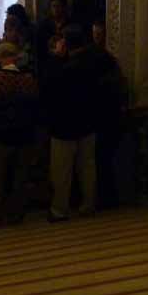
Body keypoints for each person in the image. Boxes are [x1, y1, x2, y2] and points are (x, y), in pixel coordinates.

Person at [0, 43, 40, 226]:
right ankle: (16, 215)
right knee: (20, 178)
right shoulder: (28, 80)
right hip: (24, 137)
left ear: (1, 57)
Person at [47, 24, 104, 222]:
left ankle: (59, 210)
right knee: (88, 168)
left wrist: (55, 57)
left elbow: (51, 89)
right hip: (88, 122)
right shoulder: (95, 62)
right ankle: (89, 205)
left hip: (65, 125)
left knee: (62, 171)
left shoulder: (66, 67)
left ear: (66, 43)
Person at [91, 19, 129, 208]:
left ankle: (107, 198)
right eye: (94, 35)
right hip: (108, 117)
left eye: (99, 35)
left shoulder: (105, 63)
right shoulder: (109, 65)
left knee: (103, 160)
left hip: (105, 118)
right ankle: (108, 197)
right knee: (104, 160)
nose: (97, 38)